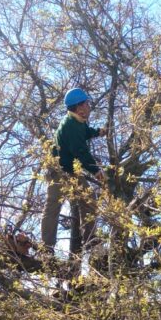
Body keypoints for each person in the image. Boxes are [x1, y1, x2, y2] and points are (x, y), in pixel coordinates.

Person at [40, 87, 107, 256]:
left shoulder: (78, 120)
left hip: (71, 171)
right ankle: (46, 249)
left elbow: (85, 132)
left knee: (88, 199)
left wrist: (98, 132)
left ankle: (91, 242)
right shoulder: (70, 126)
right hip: (59, 171)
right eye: (86, 104)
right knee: (53, 206)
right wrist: (95, 171)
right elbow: (80, 151)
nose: (89, 106)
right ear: (79, 107)